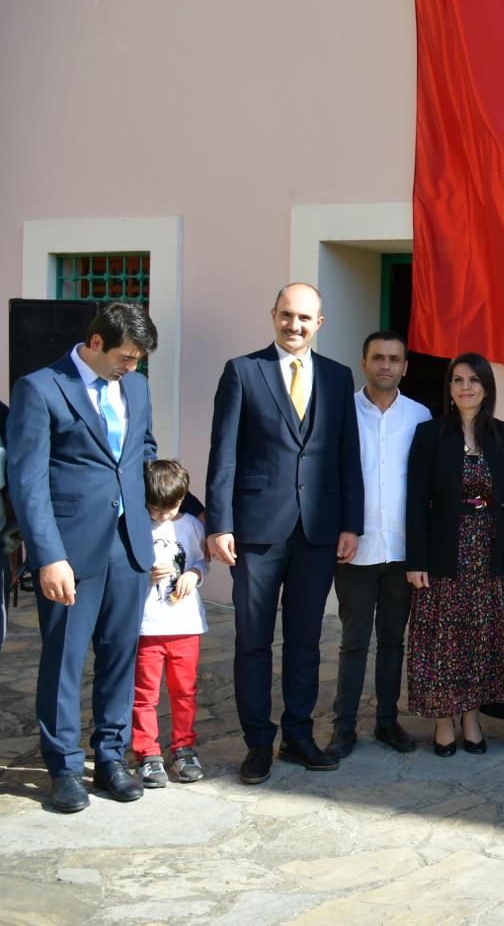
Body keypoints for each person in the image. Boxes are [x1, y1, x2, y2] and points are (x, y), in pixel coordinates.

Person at [206, 283, 362, 784]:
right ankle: (257, 742)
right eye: (286, 316)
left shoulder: (338, 378)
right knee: (253, 640)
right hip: (256, 531)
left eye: (304, 318)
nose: (294, 326)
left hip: (317, 531)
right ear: (273, 315)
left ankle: (298, 735)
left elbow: (346, 456)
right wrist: (219, 524)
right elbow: (223, 453)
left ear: (320, 323)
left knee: (305, 639)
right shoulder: (243, 371)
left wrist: (351, 524)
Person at [7, 303, 160, 812]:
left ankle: (112, 757)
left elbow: (142, 450)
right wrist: (48, 556)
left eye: (139, 360)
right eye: (126, 357)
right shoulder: (40, 387)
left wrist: (165, 525)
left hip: (129, 545)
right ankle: (64, 765)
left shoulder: (135, 386)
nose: (132, 368)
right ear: (95, 343)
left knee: (120, 656)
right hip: (70, 552)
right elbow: (27, 482)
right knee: (65, 660)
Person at [405, 353, 504, 755]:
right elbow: (416, 502)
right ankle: (444, 719)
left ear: (487, 386)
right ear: (449, 388)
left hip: (488, 551)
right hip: (443, 554)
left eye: (474, 380)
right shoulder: (429, 434)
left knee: (480, 637)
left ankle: (471, 716)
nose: (466, 387)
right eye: (458, 380)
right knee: (443, 639)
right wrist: (417, 560)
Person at [329, 331, 432, 759]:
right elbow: (330, 477)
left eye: (394, 358)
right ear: (364, 363)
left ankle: (388, 722)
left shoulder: (421, 416)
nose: (385, 365)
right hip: (356, 550)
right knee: (354, 640)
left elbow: (427, 486)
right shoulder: (341, 412)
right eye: (378, 358)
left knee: (394, 641)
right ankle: (344, 727)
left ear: (405, 366)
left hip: (402, 551)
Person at [132, 459, 210, 788]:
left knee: (184, 692)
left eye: (170, 508)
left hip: (185, 625)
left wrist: (193, 574)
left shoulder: (191, 525)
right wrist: (143, 574)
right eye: (155, 508)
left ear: (182, 499)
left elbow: (201, 561)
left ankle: (183, 748)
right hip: (148, 626)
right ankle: (147, 752)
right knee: (144, 694)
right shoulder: (136, 524)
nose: (162, 515)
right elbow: (125, 566)